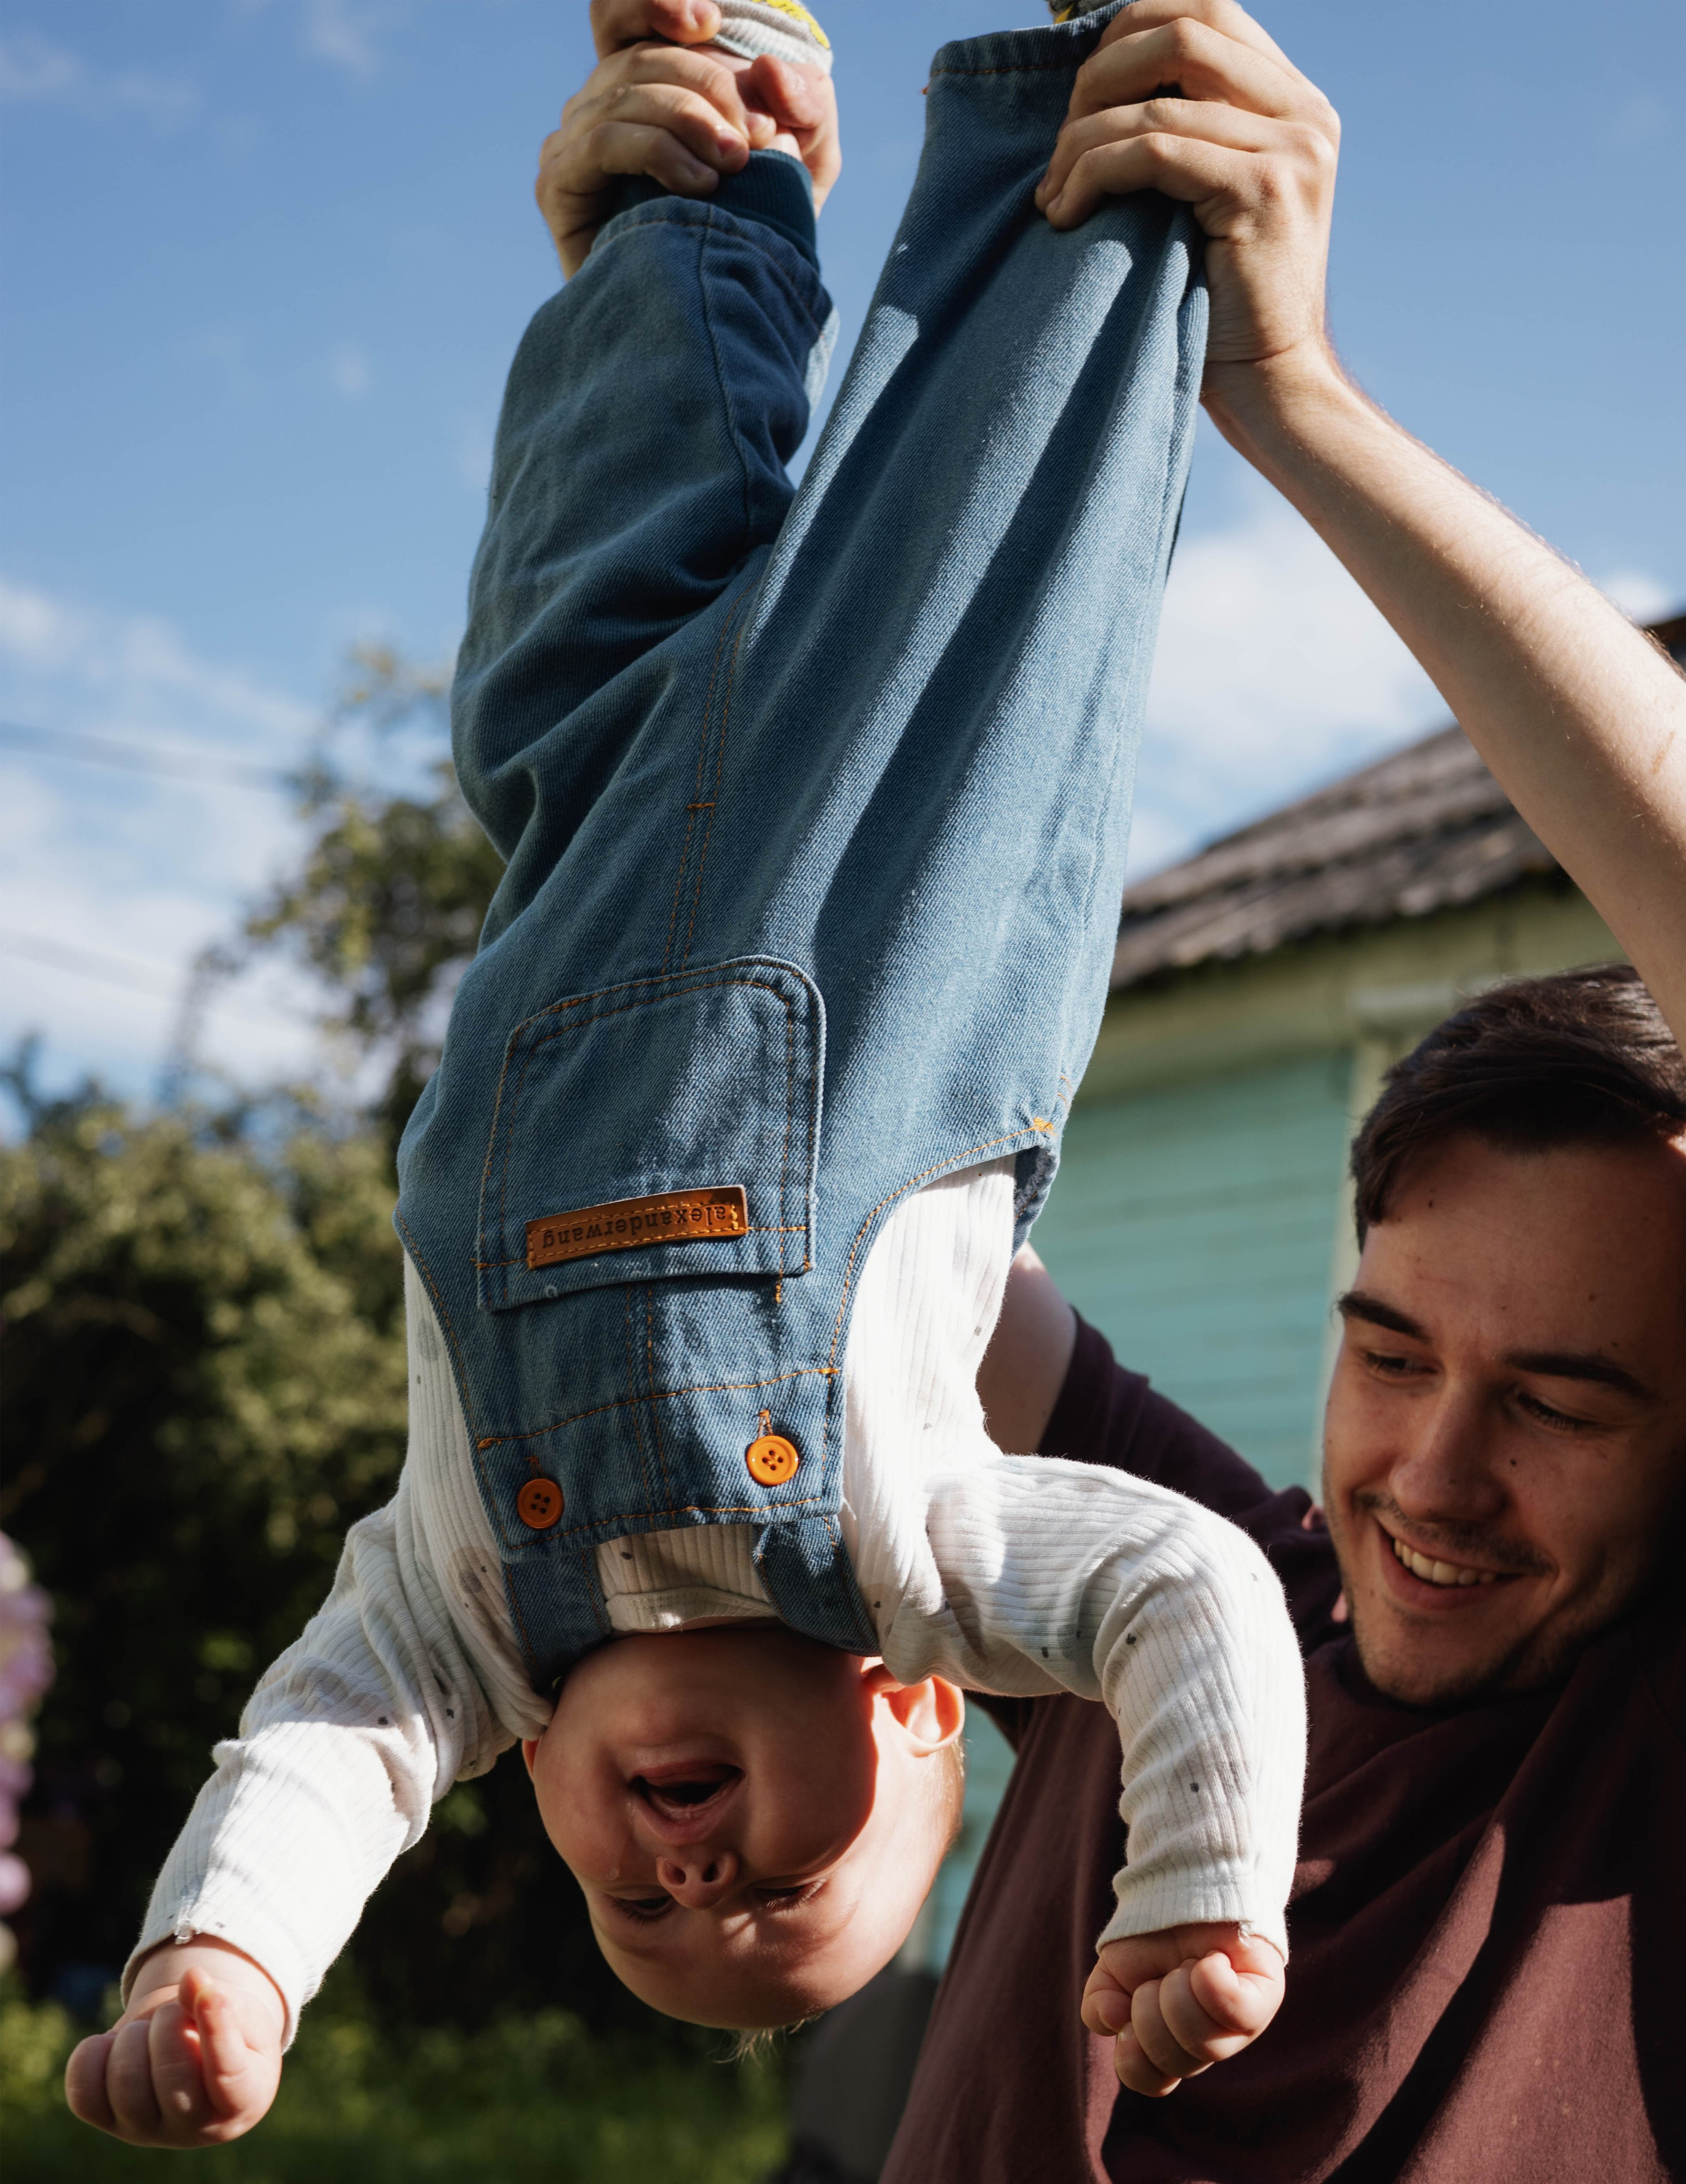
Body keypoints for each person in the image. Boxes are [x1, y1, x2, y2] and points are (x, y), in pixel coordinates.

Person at [63, 0, 1316, 2152]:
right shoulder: (921, 1553)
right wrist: (1199, 1892)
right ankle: (1100, 59)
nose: (699, 1886)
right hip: (872, 876)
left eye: (641, 1923)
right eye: (795, 1898)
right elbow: (1191, 1587)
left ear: (536, 1779)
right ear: (929, 1713)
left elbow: (324, 1745)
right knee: (1009, 475)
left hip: (582, 822)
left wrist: (227, 1962)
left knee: (589, 558)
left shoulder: (458, 1620)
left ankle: (706, 133)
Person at [873, 3, 1686, 2179]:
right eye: (1386, 1352)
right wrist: (662, 282)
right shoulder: (1161, 1590)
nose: (1431, 1478)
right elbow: (819, 1182)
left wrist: (1289, 395)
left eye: (1560, 1400)